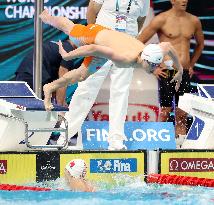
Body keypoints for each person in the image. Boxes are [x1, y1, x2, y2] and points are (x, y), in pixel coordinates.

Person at [39, 9, 183, 118]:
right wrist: (68, 55)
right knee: (70, 29)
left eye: (155, 65)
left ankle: (49, 87)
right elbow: (93, 48)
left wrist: (180, 70)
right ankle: (48, 17)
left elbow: (168, 46)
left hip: (106, 46)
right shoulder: (125, 57)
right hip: (94, 36)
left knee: (82, 75)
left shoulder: (155, 51)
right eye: (151, 65)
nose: (153, 68)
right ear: (144, 58)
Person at [56, 0, 150, 150]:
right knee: (86, 88)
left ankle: (116, 141)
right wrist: (91, 37)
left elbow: (140, 20)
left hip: (125, 47)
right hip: (102, 43)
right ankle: (65, 136)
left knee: (121, 92)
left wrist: (130, 40)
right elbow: (92, 11)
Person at [138, 0, 204, 141]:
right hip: (166, 72)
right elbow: (139, 42)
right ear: (172, 1)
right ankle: (158, 146)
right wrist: (153, 69)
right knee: (165, 112)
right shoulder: (161, 19)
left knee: (182, 113)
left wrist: (191, 64)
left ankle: (179, 148)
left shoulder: (194, 21)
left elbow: (200, 44)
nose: (184, 0)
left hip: (184, 73)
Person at [15, 40, 83, 106]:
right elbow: (63, 79)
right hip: (35, 76)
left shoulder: (58, 45)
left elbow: (54, 84)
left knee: (24, 107)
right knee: (38, 109)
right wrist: (60, 105)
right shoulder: (68, 51)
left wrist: (61, 100)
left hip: (23, 72)